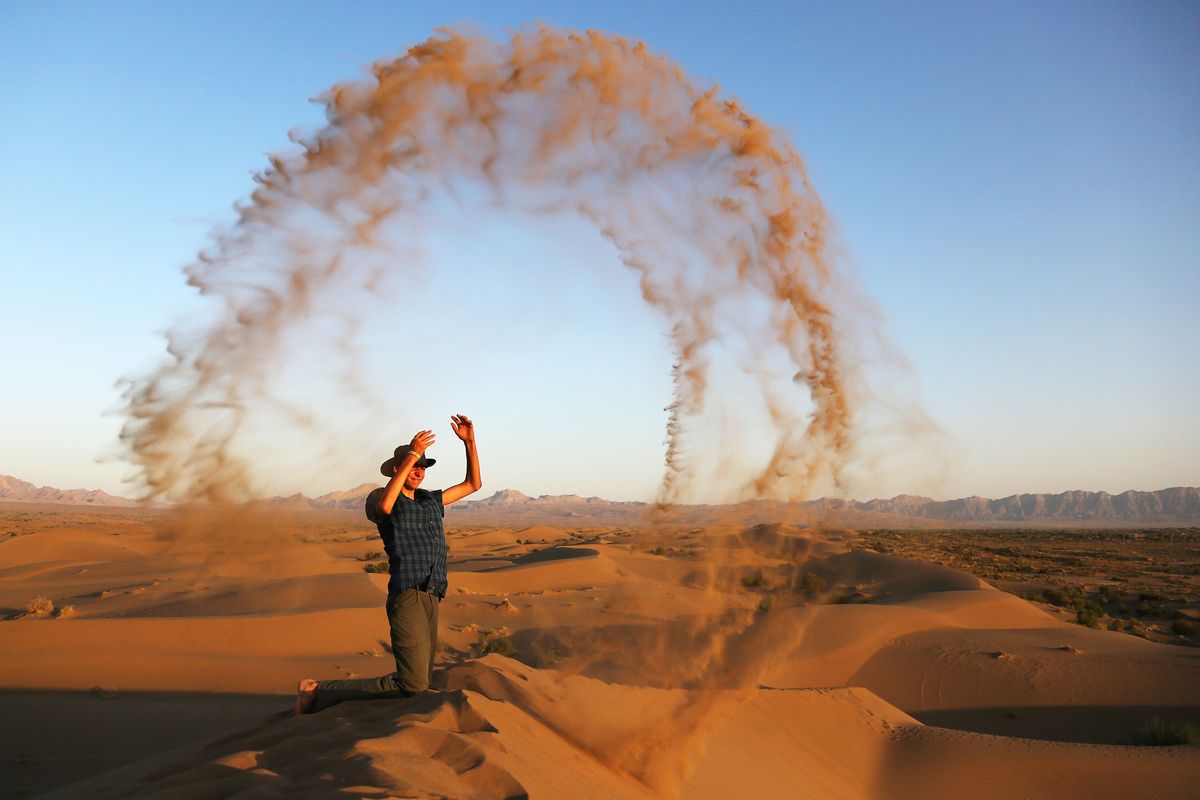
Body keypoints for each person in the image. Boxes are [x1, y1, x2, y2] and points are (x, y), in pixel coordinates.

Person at [294, 413, 482, 714]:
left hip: (432, 593)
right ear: (398, 468)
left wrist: (470, 444)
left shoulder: (430, 500)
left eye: (423, 466)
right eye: (414, 465)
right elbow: (385, 505)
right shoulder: (381, 498)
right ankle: (317, 691)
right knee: (414, 685)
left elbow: (473, 484)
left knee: (419, 680)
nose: (419, 471)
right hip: (407, 594)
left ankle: (332, 698)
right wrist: (411, 453)